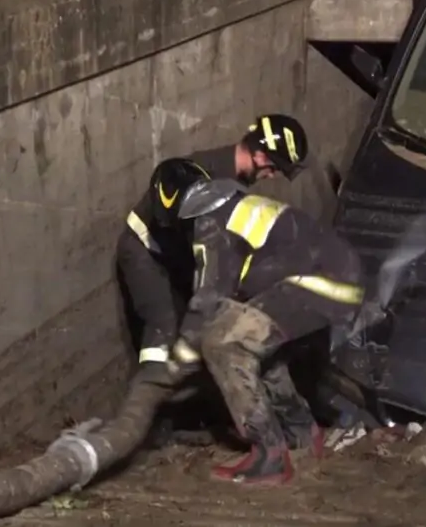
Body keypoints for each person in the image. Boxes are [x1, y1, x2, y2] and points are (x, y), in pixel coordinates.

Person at [148, 160, 365, 485]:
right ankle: (302, 435)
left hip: (319, 283)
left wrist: (176, 364)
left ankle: (270, 455)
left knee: (223, 343)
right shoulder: (236, 207)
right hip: (338, 279)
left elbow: (207, 300)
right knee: (259, 347)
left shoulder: (208, 222)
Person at [117, 113, 311, 366]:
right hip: (145, 250)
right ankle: (150, 389)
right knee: (164, 324)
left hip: (173, 253)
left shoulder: (231, 175)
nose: (272, 175)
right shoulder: (211, 176)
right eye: (273, 168)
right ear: (260, 155)